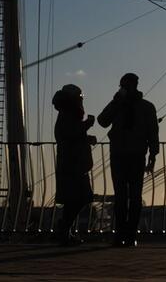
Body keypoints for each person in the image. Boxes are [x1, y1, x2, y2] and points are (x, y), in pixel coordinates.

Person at [98, 73, 159, 247]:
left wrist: (153, 155)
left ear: (135, 85)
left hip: (136, 154)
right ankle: (121, 233)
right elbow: (102, 121)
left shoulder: (147, 107)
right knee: (121, 196)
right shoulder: (118, 105)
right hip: (119, 154)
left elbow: (153, 133)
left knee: (134, 196)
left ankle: (130, 233)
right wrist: (116, 102)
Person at [53, 84, 96, 246]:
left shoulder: (68, 113)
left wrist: (86, 137)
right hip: (72, 164)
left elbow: (72, 135)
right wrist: (88, 124)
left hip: (75, 163)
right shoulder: (68, 113)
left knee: (77, 198)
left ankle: (65, 229)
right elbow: (70, 134)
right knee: (80, 197)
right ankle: (64, 228)